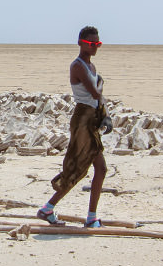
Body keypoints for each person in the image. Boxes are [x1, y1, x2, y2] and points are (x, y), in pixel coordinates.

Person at [37, 26, 112, 228]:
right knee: (84, 167)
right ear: (81, 43)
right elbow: (95, 93)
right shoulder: (77, 66)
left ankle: (50, 209)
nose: (95, 47)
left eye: (98, 43)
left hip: (93, 119)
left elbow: (99, 97)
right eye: (91, 43)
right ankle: (87, 216)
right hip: (83, 121)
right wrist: (102, 94)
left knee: (96, 168)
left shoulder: (92, 67)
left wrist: (106, 116)